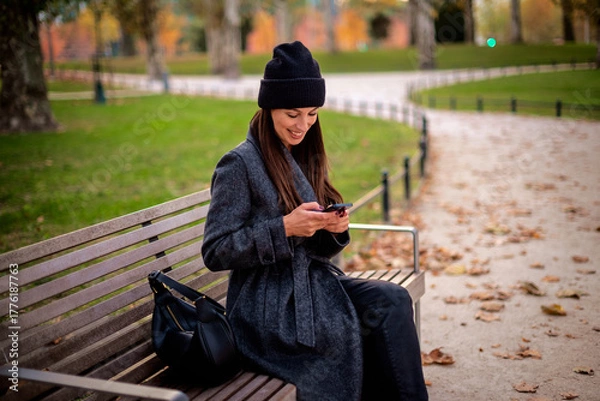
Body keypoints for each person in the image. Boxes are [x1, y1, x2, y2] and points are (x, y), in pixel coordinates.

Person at [201, 41, 428, 401]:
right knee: (368, 318)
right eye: (292, 114)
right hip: (264, 308)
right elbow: (215, 250)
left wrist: (333, 229)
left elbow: (317, 246)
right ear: (268, 105)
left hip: (313, 287)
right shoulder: (238, 164)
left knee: (392, 300)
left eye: (312, 113)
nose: (303, 124)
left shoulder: (304, 153)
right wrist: (284, 229)